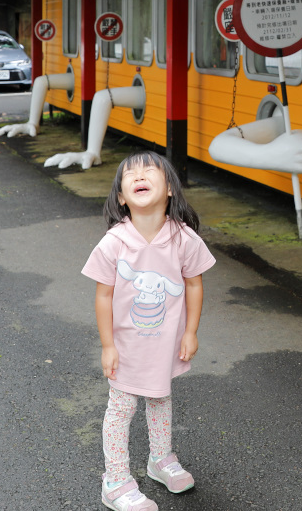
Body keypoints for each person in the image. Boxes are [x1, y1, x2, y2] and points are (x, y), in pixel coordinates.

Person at [81, 151, 217, 511]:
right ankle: (115, 481)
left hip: (165, 343)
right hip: (126, 346)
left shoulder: (182, 238)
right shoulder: (115, 242)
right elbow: (104, 295)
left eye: (149, 171)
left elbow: (193, 285)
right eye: (130, 175)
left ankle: (160, 459)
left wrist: (191, 332)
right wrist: (107, 346)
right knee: (121, 409)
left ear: (169, 188)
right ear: (122, 197)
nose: (139, 175)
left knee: (160, 398)